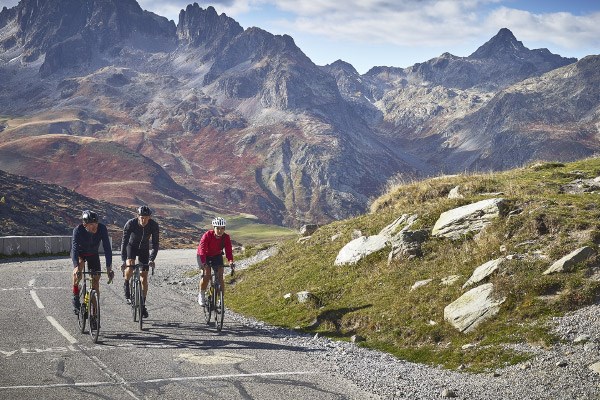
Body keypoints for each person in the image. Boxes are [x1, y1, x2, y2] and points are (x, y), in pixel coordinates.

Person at [71, 210, 114, 314]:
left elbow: (107, 248)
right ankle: (75, 294)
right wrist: (76, 266)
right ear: (85, 225)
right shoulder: (78, 230)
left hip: (93, 255)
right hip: (80, 254)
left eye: (96, 224)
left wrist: (109, 267)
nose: (95, 227)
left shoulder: (102, 228)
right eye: (91, 225)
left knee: (95, 282)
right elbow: (75, 249)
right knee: (78, 272)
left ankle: (95, 313)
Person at [121, 205, 159, 318]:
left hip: (144, 249)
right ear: (138, 216)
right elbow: (124, 242)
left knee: (144, 276)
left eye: (146, 217)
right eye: (142, 217)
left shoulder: (153, 225)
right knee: (130, 264)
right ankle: (126, 283)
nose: (144, 220)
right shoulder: (130, 224)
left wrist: (152, 259)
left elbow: (155, 244)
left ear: (150, 217)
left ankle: (142, 304)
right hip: (131, 246)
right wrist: (123, 260)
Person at [196, 216, 235, 306]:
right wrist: (204, 263)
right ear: (214, 228)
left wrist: (231, 261)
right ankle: (201, 295)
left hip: (216, 255)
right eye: (217, 228)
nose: (220, 231)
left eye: (222, 228)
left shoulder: (226, 237)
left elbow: (228, 251)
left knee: (220, 277)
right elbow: (202, 250)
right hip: (204, 255)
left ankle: (221, 299)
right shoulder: (207, 235)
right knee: (207, 275)